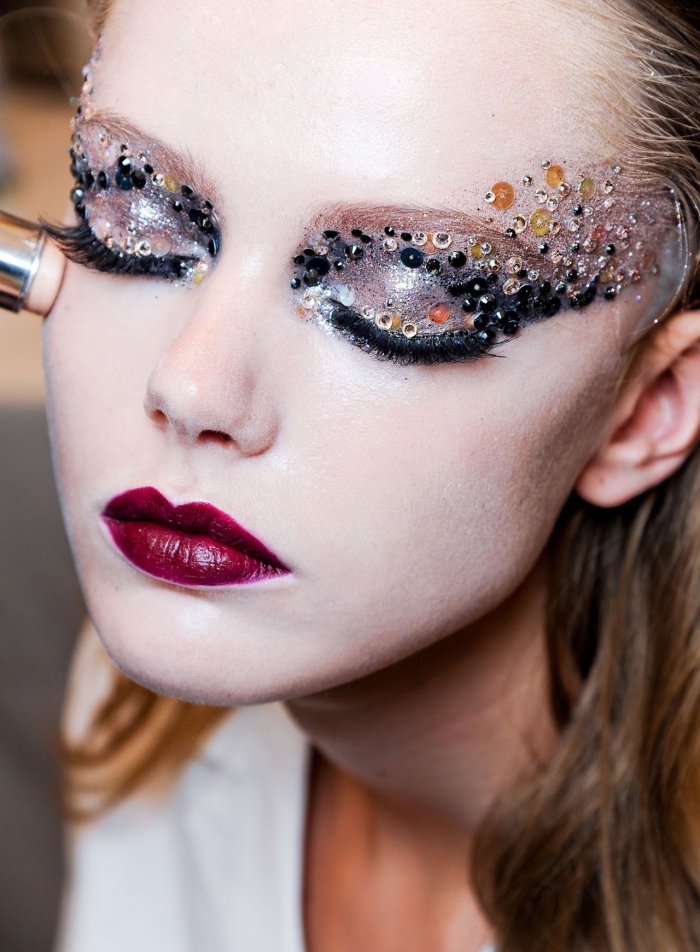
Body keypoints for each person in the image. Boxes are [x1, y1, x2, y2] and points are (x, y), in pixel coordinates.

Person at [17, 0, 700, 948]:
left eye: (402, 292)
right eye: (135, 218)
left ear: (646, 410)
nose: (191, 384)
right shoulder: (143, 698)